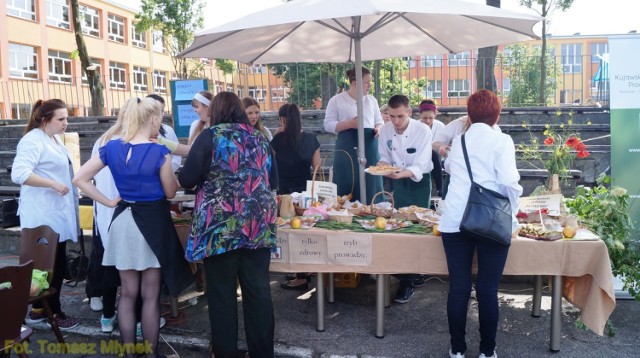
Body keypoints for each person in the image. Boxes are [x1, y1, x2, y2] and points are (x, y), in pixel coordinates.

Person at [74, 97, 193, 358]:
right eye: (159, 119)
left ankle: (128, 353)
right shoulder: (157, 152)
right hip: (151, 223)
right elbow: (171, 191)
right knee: (150, 295)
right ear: (151, 119)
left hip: (123, 221)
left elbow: (79, 179)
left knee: (127, 294)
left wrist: (108, 201)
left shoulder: (111, 147)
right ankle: (150, 353)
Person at [178, 92, 277, 358]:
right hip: (257, 225)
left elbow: (187, 179)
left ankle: (225, 353)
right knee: (258, 291)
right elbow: (274, 179)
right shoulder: (260, 138)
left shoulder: (210, 136)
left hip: (219, 229)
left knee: (221, 296)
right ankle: (263, 353)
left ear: (216, 112)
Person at [439, 90, 522, 358]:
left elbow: (450, 166)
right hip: (491, 220)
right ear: (497, 114)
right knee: (487, 289)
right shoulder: (502, 141)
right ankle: (487, 351)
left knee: (459, 287)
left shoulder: (460, 139)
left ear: (469, 114)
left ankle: (457, 350)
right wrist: (514, 211)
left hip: (454, 219)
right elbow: (509, 182)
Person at [12, 99, 80, 330]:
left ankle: (41, 310)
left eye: (66, 118)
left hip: (55, 212)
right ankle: (52, 312)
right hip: (42, 214)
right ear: (45, 120)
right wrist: (52, 183)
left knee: (53, 263)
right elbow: (19, 174)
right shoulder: (32, 140)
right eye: (61, 119)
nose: (66, 123)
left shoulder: (53, 138)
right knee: (50, 265)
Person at [377, 95, 433, 303]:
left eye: (400, 116)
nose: (395, 121)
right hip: (397, 180)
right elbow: (383, 156)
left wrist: (401, 173)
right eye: (391, 117)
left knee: (417, 227)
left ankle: (412, 276)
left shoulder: (423, 131)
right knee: (400, 226)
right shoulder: (385, 130)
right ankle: (407, 278)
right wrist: (383, 167)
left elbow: (421, 162)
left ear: (409, 113)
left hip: (419, 181)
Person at [271, 103, 321, 290]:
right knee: (307, 231)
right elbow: (316, 166)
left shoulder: (276, 140)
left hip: (284, 192)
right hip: (305, 192)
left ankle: (298, 274)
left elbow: (270, 165)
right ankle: (307, 269)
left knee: (289, 233)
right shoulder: (310, 139)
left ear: (282, 119)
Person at [324, 67, 384, 203]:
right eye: (367, 82)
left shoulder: (371, 100)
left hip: (369, 144)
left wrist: (378, 128)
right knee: (347, 178)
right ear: (355, 82)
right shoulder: (337, 100)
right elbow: (328, 125)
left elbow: (379, 121)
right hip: (347, 145)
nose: (369, 85)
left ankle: (373, 210)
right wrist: (349, 124)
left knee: (371, 181)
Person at [433, 114, 501, 199]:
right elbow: (435, 143)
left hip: (483, 183)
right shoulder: (459, 124)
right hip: (456, 180)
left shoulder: (496, 130)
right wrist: (441, 148)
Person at [418, 99, 445, 197]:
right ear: (420, 115)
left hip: (436, 157)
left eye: (430, 118)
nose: (428, 121)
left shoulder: (440, 126)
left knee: (434, 153)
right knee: (432, 152)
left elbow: (442, 144)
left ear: (435, 114)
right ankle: (440, 188)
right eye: (425, 118)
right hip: (420, 156)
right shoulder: (416, 126)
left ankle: (440, 188)